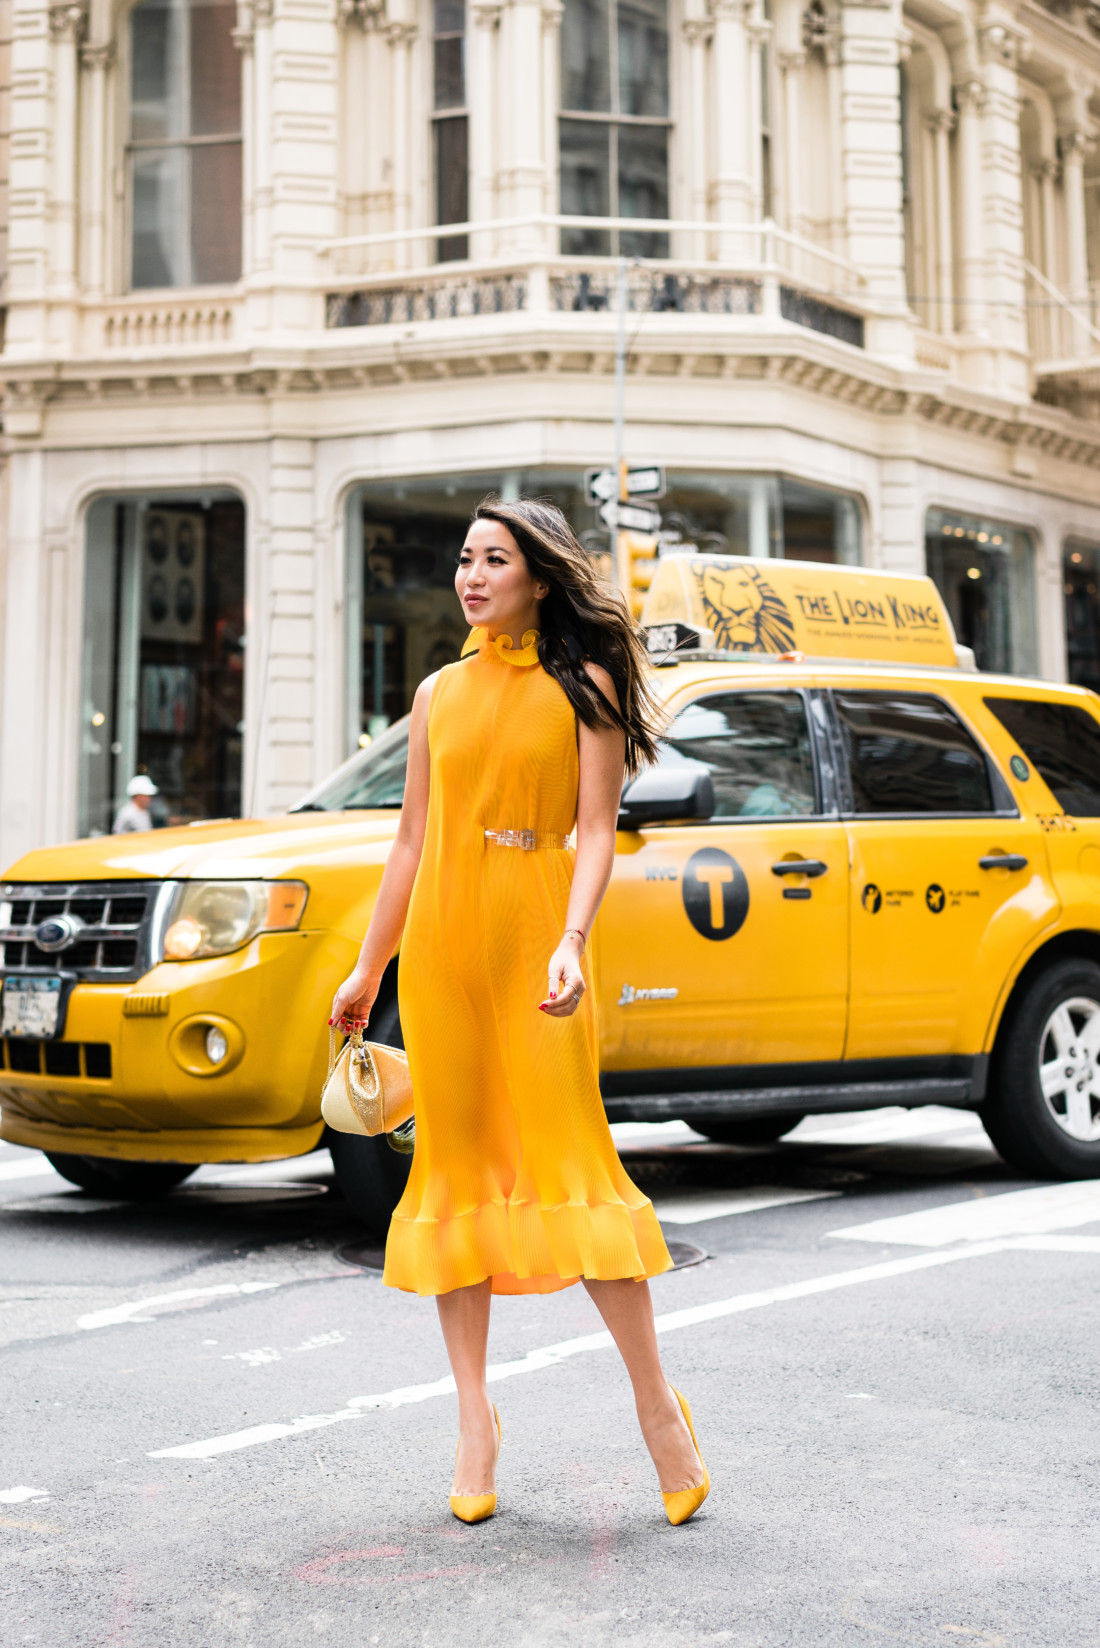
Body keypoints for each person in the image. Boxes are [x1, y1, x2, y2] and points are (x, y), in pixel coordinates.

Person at [330, 498, 710, 1528]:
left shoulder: (579, 684)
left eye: (493, 559)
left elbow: (595, 828)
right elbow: (408, 841)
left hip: (539, 947)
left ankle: (655, 1408)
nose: (471, 574)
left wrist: (573, 938)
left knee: (570, 1168)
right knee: (454, 1176)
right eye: (464, 558)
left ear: (539, 577)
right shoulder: (437, 692)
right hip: (447, 955)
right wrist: (370, 969)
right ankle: (472, 1420)